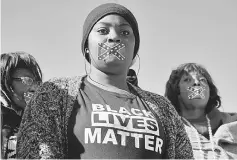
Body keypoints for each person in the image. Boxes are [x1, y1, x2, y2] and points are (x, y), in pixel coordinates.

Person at [16, 3, 193, 159]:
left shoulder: (163, 108)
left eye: (125, 32)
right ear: (86, 46)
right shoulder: (54, 94)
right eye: (102, 30)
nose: (114, 37)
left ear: (134, 51)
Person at [165, 63, 237, 159]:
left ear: (209, 91)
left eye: (202, 80)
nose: (196, 83)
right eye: (187, 80)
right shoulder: (166, 128)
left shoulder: (232, 122)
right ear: (176, 91)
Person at [1, 51, 43, 159]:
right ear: (7, 82)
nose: (35, 88)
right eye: (28, 80)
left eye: (36, 82)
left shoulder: (34, 119)